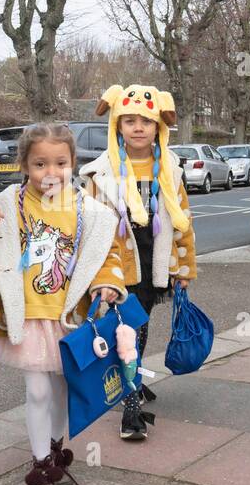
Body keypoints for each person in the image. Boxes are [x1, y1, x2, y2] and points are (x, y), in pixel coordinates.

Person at [0, 123, 127, 485]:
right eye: (39, 163)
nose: (50, 172)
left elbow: (108, 255)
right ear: (24, 165)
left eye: (60, 162)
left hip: (70, 320)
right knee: (37, 391)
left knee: (61, 393)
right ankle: (42, 471)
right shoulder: (6, 203)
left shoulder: (92, 211)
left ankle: (55, 450)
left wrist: (108, 284)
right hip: (27, 317)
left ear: (72, 163)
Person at [80, 85, 198, 440]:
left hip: (153, 261)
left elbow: (183, 222)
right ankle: (130, 408)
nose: (137, 127)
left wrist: (184, 269)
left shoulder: (170, 170)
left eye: (146, 121)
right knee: (128, 330)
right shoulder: (101, 172)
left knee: (139, 329)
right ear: (117, 125)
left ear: (158, 126)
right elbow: (89, 224)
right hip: (117, 263)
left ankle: (132, 377)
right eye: (129, 120)